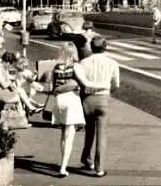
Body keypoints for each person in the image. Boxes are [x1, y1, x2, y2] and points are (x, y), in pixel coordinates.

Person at [49, 42, 110, 178]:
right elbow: (86, 83)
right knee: (69, 137)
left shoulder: (56, 67)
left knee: (63, 136)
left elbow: (52, 87)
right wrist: (104, 86)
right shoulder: (76, 66)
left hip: (59, 101)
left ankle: (63, 164)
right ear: (73, 52)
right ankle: (63, 168)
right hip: (71, 101)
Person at [79, 36, 120, 178]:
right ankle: (99, 168)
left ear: (91, 47)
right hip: (103, 98)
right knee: (102, 135)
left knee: (89, 131)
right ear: (105, 47)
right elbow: (116, 84)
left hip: (87, 99)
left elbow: (80, 82)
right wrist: (109, 92)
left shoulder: (83, 62)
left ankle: (86, 157)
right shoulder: (112, 63)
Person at [0, 49, 42, 114]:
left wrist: (12, 83)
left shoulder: (1, 67)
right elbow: (4, 85)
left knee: (20, 90)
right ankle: (25, 113)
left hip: (0, 90)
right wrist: (10, 83)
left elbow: (5, 80)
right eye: (10, 64)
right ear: (7, 62)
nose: (10, 66)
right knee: (18, 96)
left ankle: (30, 109)